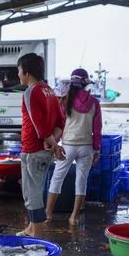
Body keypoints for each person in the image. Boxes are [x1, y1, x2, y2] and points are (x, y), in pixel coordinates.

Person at [16, 53, 65, 238]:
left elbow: (39, 124)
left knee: (32, 194)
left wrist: (52, 143)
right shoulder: (50, 91)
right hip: (44, 150)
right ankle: (30, 228)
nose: (18, 75)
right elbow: (61, 122)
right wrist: (53, 142)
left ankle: (36, 235)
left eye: (19, 71)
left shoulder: (31, 91)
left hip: (32, 150)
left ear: (27, 72)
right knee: (36, 189)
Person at [45, 69, 102, 226]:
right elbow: (97, 129)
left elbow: (60, 126)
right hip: (87, 147)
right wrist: (97, 151)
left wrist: (53, 142)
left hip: (68, 146)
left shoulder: (65, 101)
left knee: (57, 179)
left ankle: (48, 213)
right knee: (81, 182)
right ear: (85, 84)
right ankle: (74, 217)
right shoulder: (95, 103)